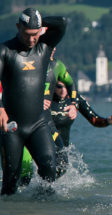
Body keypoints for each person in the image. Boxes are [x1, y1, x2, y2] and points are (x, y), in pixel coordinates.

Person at [0, 8, 67, 195]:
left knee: (50, 169)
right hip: (12, 127)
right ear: (18, 27)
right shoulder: (4, 50)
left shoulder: (44, 47)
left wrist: (40, 21)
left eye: (35, 34)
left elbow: (62, 23)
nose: (32, 39)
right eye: (27, 34)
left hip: (38, 124)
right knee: (10, 182)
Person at [20, 49, 77, 184]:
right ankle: (19, 199)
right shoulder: (24, 62)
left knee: (62, 163)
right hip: (24, 121)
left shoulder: (57, 65)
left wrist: (73, 103)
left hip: (45, 121)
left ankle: (43, 190)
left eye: (53, 46)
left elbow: (70, 83)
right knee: (24, 174)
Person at [51, 80, 112, 147]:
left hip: (62, 150)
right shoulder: (45, 99)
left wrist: (108, 121)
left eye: (67, 86)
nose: (63, 90)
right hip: (44, 147)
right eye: (59, 87)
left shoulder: (75, 99)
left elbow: (94, 120)